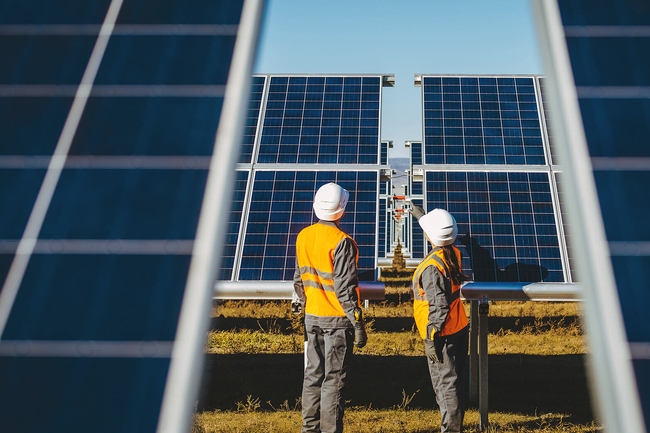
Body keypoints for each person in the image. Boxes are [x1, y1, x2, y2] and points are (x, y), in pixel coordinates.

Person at [293, 182, 367, 433]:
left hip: (312, 316)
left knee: (312, 376)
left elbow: (299, 280)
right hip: (336, 321)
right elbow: (345, 289)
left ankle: (309, 429)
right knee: (333, 382)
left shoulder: (303, 236)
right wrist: (358, 323)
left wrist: (308, 306)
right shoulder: (342, 241)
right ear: (342, 209)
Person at [410, 206, 470, 433]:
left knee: (446, 386)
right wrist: (422, 217)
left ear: (429, 235)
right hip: (458, 327)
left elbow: (438, 307)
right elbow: (438, 233)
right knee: (454, 382)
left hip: (441, 334)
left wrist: (430, 338)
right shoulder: (452, 252)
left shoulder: (431, 267)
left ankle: (451, 430)